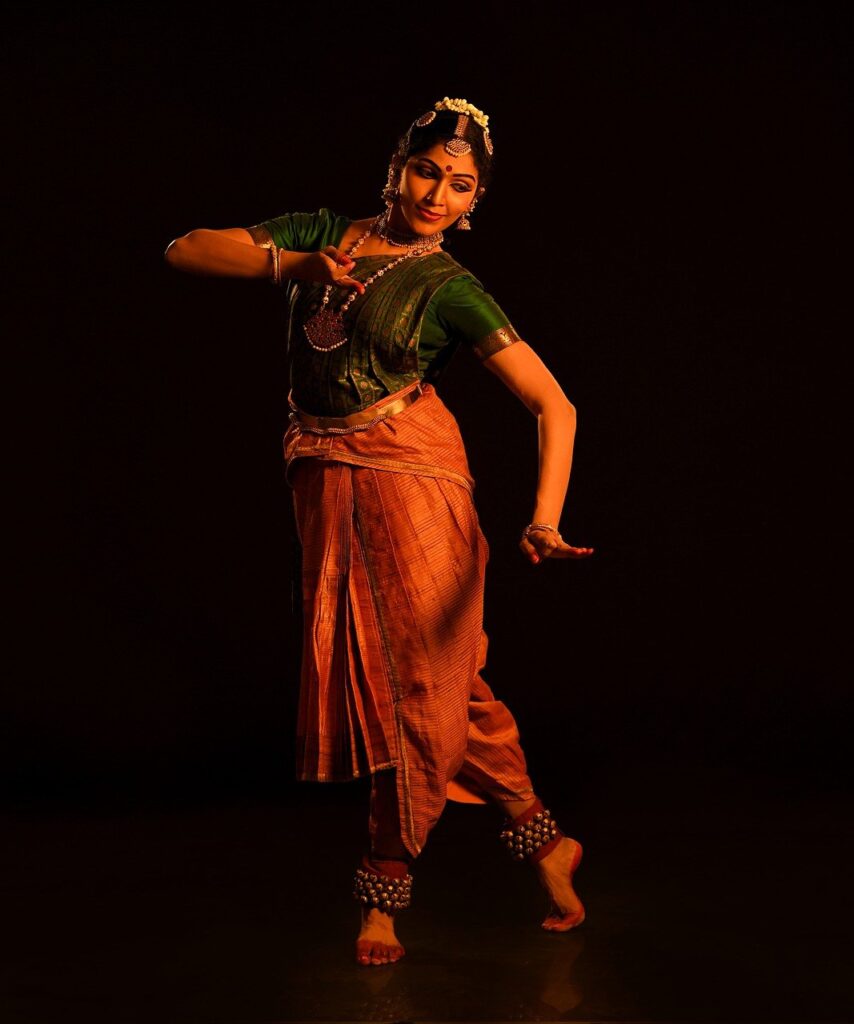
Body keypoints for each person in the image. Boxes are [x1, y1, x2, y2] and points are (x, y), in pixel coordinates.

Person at [165, 96, 594, 967]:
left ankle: (384, 883)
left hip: (414, 479)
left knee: (413, 691)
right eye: (428, 171)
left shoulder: (451, 287)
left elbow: (555, 403)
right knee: (434, 687)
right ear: (397, 168)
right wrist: (293, 266)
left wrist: (545, 518)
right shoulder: (320, 234)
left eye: (460, 184)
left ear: (475, 203)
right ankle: (543, 839)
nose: (438, 193)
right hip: (323, 476)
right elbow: (184, 249)